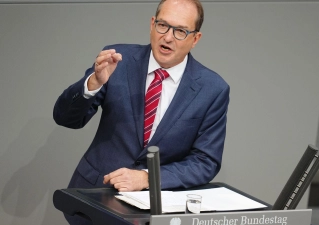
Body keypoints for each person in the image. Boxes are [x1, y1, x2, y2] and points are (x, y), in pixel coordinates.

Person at [53, 0, 229, 223]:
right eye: (163, 25)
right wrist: (93, 83)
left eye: (180, 31)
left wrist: (148, 178)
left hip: (154, 210)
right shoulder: (118, 61)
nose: (167, 37)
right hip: (92, 199)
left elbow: (205, 161)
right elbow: (65, 118)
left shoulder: (212, 88)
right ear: (152, 24)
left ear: (195, 39)